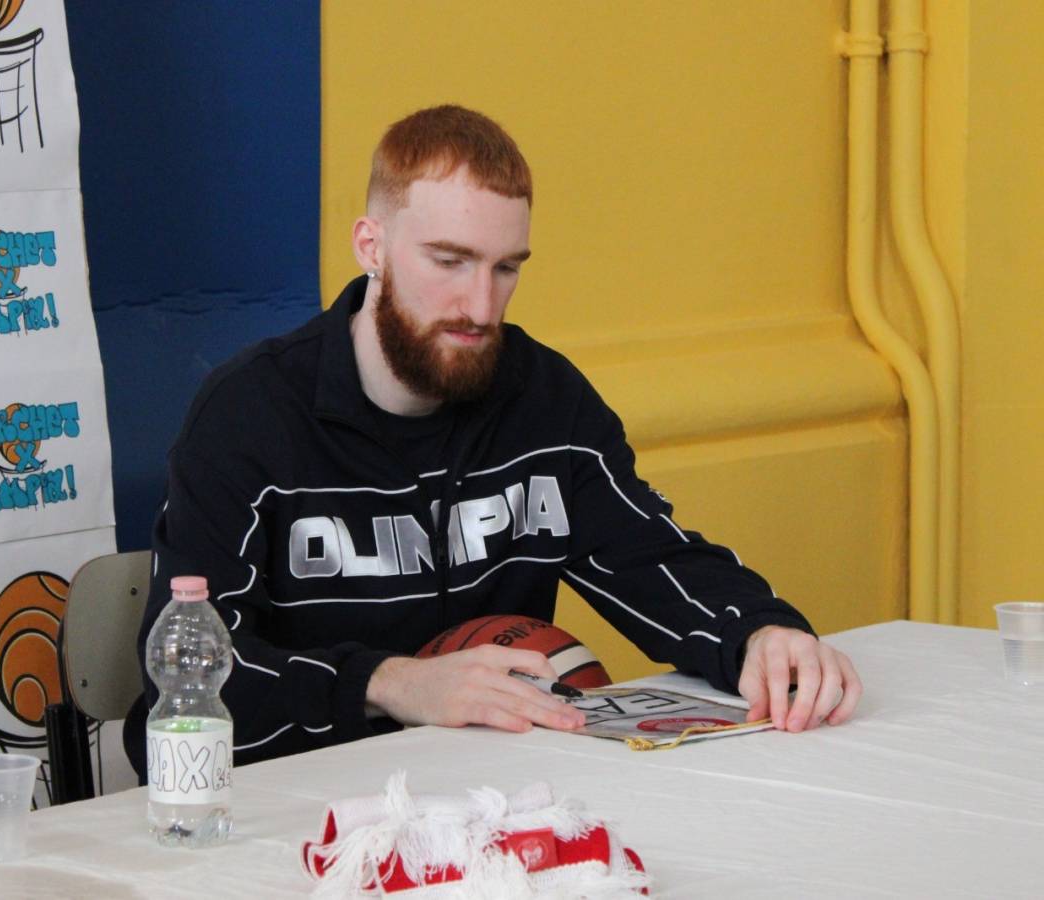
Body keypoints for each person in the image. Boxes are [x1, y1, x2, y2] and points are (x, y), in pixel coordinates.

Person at [124, 104, 861, 778]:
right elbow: (183, 683)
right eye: (449, 261)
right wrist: (390, 683)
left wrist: (761, 636)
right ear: (370, 246)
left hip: (504, 796)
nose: (480, 306)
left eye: (506, 268)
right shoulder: (249, 414)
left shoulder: (544, 397)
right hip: (297, 806)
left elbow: (652, 557)